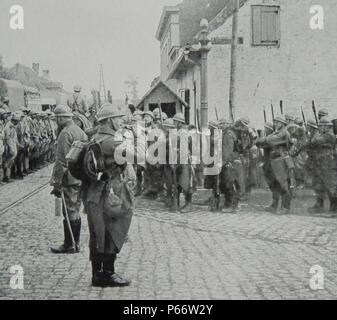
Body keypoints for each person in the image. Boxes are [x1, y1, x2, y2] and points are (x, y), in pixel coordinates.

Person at [81, 103, 134, 287]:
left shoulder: (95, 138)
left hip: (94, 193)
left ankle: (97, 274)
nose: (121, 121)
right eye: (118, 118)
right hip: (110, 192)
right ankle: (108, 274)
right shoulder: (113, 142)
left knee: (98, 233)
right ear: (109, 121)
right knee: (113, 230)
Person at [50, 105, 87, 254]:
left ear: (60, 118)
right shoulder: (80, 131)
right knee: (75, 209)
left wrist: (57, 183)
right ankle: (75, 243)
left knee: (69, 210)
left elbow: (61, 162)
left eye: (56, 118)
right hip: (80, 177)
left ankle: (70, 244)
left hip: (69, 178)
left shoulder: (65, 133)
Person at [259, 116, 293, 214]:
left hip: (280, 160)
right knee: (274, 183)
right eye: (275, 122)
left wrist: (266, 138)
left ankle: (285, 207)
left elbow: (269, 140)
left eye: (278, 122)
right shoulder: (277, 133)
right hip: (274, 159)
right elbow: (263, 143)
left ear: (283, 123)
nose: (276, 124)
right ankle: (275, 204)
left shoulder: (283, 133)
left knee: (283, 183)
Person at [310, 117, 337, 215]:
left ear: (326, 127)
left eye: (321, 126)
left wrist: (316, 133)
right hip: (322, 162)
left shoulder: (329, 135)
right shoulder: (325, 134)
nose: (319, 128)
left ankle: (334, 208)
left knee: (330, 185)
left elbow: (315, 141)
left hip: (327, 162)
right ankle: (320, 205)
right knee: (320, 184)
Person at [2, 108, 17, 183]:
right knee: (7, 162)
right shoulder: (8, 126)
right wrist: (11, 148)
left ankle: (7, 176)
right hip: (8, 146)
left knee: (9, 162)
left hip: (10, 145)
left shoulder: (10, 125)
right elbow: (7, 138)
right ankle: (6, 177)